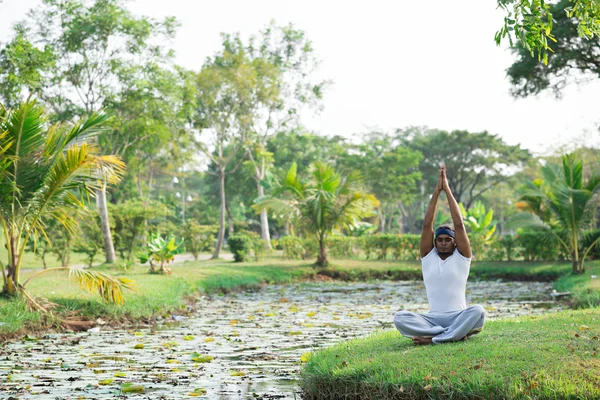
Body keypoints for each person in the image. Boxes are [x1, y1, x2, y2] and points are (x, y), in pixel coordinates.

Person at [393, 165, 485, 345]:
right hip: (431, 320)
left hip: (459, 316)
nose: (443, 242)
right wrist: (436, 191)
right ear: (435, 242)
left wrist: (447, 189)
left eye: (447, 240)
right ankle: (450, 334)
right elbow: (427, 225)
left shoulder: (462, 257)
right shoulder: (428, 256)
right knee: (399, 318)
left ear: (454, 242)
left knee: (478, 311)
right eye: (440, 239)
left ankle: (434, 339)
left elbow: (459, 225)